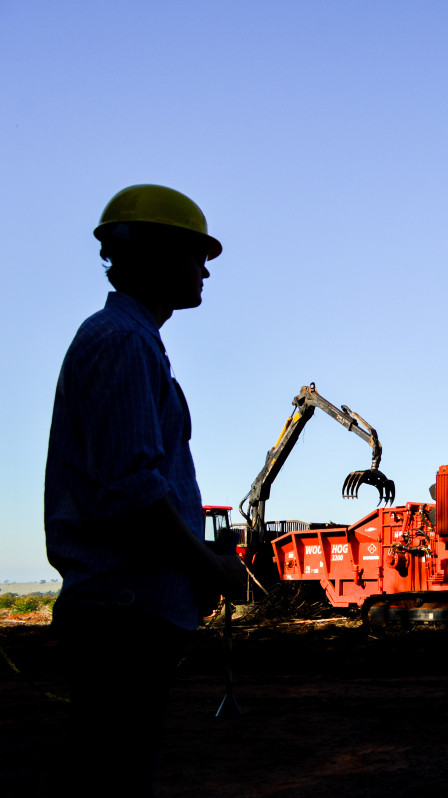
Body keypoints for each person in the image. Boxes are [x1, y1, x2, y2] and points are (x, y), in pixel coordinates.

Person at [44, 184, 244, 796]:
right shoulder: (124, 343)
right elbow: (134, 492)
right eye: (196, 253)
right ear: (156, 255)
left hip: (126, 612)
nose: (206, 268)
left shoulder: (133, 343)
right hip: (123, 617)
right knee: (111, 781)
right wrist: (208, 566)